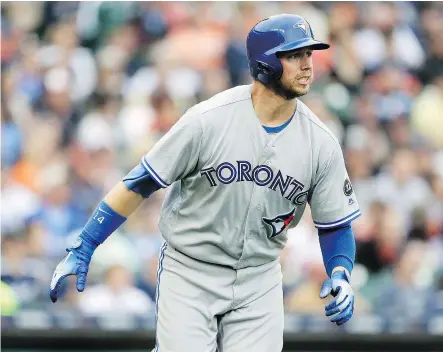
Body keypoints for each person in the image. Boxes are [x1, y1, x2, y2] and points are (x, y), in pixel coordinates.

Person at [50, 14, 360, 352]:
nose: (307, 65)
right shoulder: (208, 120)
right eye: (294, 55)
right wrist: (86, 243)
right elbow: (140, 183)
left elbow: (334, 224)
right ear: (266, 63)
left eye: (308, 55)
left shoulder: (320, 142)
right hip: (190, 269)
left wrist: (341, 271)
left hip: (259, 277)